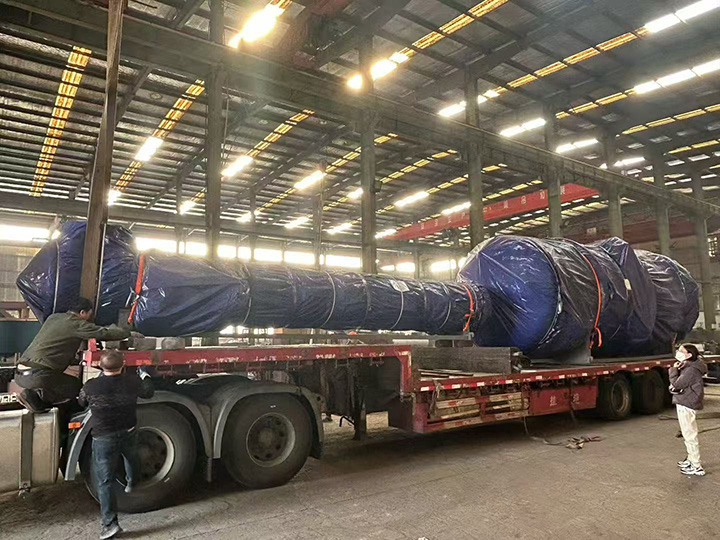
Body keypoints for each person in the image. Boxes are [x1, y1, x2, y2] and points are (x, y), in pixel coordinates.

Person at [78, 350, 154, 539]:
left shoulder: (91, 386)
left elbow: (81, 402)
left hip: (104, 438)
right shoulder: (132, 382)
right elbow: (148, 392)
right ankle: (132, 482)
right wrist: (144, 374)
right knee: (132, 456)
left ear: (100, 366)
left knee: (105, 482)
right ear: (123, 365)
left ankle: (110, 525)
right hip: (128, 431)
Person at [14, 297, 130, 412]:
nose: (89, 319)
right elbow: (105, 333)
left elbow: (55, 345)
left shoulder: (53, 318)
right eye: (89, 315)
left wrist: (74, 358)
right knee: (74, 386)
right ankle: (36, 398)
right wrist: (127, 331)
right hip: (37, 376)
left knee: (61, 386)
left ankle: (37, 398)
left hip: (20, 373)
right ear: (82, 312)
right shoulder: (76, 324)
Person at [669, 343, 707, 477]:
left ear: (689, 355)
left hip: (687, 402)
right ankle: (691, 460)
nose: (678, 352)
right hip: (685, 400)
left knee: (690, 435)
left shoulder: (691, 370)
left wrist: (673, 370)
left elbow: (678, 384)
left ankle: (696, 466)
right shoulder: (689, 366)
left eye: (681, 351)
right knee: (687, 434)